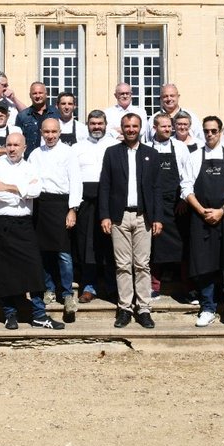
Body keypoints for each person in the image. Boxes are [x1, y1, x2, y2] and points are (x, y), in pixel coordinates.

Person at [0, 132, 64, 330]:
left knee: (34, 269)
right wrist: (22, 192)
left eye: (16, 145)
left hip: (25, 224)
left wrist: (8, 187)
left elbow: (36, 191)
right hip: (2, 223)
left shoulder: (30, 167)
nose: (12, 148)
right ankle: (9, 314)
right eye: (8, 145)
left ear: (24, 147)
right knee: (6, 272)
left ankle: (39, 314)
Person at [183, 116, 224, 331]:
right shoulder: (193, 157)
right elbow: (186, 188)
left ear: (221, 132)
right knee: (205, 265)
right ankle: (208, 308)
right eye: (206, 131)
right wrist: (203, 211)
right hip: (201, 218)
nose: (210, 134)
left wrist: (222, 211)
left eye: (214, 131)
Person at [97, 113, 162, 328]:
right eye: (127, 126)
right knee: (122, 265)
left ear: (140, 128)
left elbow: (156, 189)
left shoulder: (151, 154)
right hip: (119, 216)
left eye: (134, 126)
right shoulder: (112, 153)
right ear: (122, 129)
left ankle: (143, 308)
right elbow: (104, 186)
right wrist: (105, 215)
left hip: (144, 216)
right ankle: (124, 307)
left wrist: (158, 218)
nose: (131, 129)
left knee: (142, 264)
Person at [29, 117, 83, 319]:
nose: (50, 136)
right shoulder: (35, 154)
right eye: (46, 132)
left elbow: (76, 182)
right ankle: (49, 289)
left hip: (62, 205)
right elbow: (31, 179)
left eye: (54, 132)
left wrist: (73, 209)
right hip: (41, 205)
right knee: (44, 252)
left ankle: (68, 293)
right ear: (42, 133)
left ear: (59, 132)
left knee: (63, 253)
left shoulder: (68, 153)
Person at [146, 113, 192, 300]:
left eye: (169, 126)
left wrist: (183, 199)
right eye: (163, 126)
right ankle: (154, 286)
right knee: (153, 247)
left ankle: (187, 287)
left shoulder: (180, 148)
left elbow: (187, 176)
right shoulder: (147, 148)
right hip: (153, 205)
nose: (167, 129)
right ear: (154, 128)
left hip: (176, 205)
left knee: (183, 245)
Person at [73, 110, 116, 302]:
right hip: (85, 202)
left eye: (100, 123)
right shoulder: (77, 147)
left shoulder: (115, 145)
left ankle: (112, 287)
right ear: (87, 125)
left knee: (111, 244)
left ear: (105, 124)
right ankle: (88, 287)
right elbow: (72, 178)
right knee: (86, 245)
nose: (96, 127)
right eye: (93, 123)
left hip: (110, 201)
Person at [16, 81, 59, 158]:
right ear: (30, 95)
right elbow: (18, 140)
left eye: (40, 93)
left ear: (46, 94)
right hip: (30, 159)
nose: (37, 96)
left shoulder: (56, 113)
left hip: (53, 157)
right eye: (34, 93)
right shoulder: (22, 116)